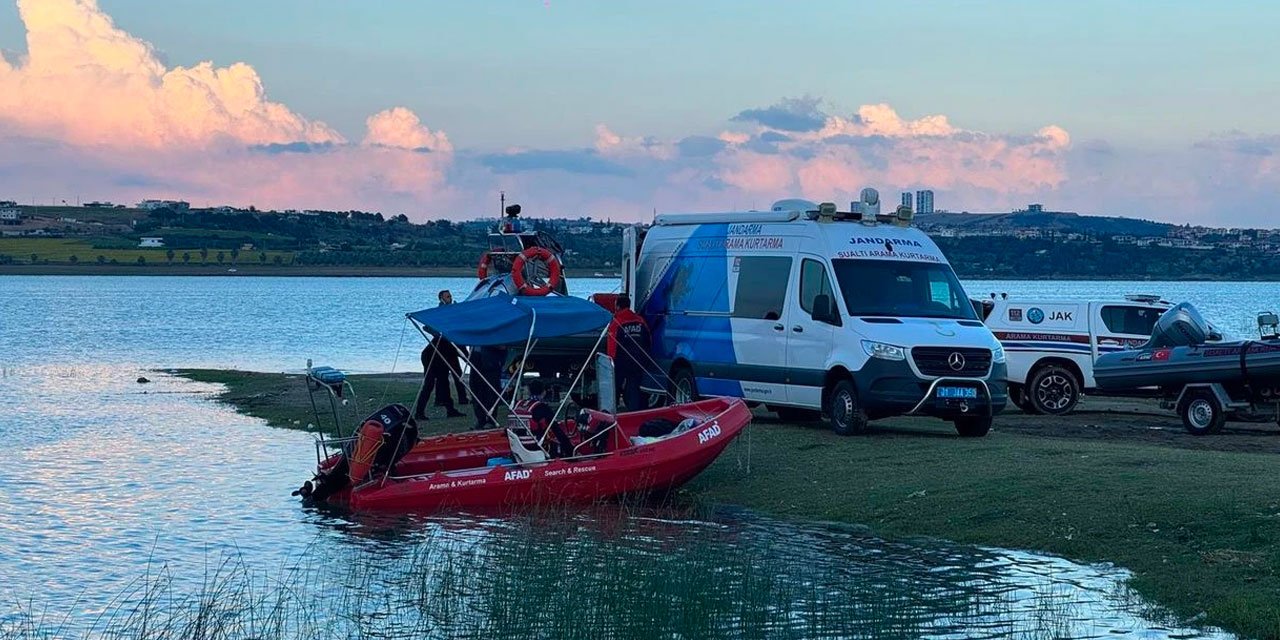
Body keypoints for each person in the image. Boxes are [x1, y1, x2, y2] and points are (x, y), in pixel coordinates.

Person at [607, 295, 651, 411]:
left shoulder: (616, 323)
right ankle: (634, 414)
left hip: (620, 363)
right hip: (638, 361)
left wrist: (610, 363)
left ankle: (612, 412)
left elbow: (612, 346)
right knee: (634, 389)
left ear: (617, 306)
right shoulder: (640, 321)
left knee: (614, 388)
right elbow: (648, 340)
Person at [412, 336, 466, 420]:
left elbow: (463, 355)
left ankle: (450, 410)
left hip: (441, 357)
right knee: (429, 385)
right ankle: (419, 413)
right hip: (431, 357)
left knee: (444, 383)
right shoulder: (455, 337)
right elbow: (464, 355)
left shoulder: (455, 336)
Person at [432, 290, 469, 406]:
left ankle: (461, 398)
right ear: (441, 298)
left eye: (450, 296)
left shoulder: (452, 308)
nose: (450, 298)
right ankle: (458, 398)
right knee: (450, 372)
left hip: (457, 342)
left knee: (458, 369)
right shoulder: (440, 311)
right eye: (448, 297)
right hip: (448, 345)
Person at [523, 380, 573, 458]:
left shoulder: (518, 405)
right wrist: (571, 450)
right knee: (559, 446)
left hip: (518, 446)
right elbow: (557, 431)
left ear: (529, 391)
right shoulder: (542, 408)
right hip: (535, 448)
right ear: (544, 392)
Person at [469, 345, 505, 430]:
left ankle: (491, 420)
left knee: (491, 390)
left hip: (491, 359)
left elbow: (502, 346)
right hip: (476, 356)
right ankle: (481, 419)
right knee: (476, 389)